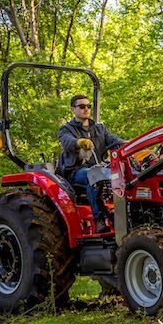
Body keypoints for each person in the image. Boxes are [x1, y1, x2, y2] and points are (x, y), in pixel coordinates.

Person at [58, 94, 125, 234]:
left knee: (125, 173)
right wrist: (79, 142)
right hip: (76, 171)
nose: (86, 109)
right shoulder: (66, 129)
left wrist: (129, 146)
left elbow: (115, 141)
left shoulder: (99, 128)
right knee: (94, 175)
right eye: (82, 106)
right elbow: (67, 141)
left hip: (100, 169)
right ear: (73, 109)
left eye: (88, 106)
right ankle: (99, 220)